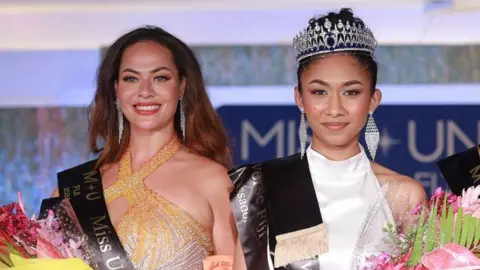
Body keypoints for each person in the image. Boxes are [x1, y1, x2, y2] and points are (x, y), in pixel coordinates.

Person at [229, 8, 427, 270]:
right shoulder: (264, 187)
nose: (335, 109)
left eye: (351, 92)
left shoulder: (403, 194)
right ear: (299, 98)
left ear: (373, 100)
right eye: (319, 91)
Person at [43, 26, 236, 270]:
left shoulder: (214, 181)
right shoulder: (70, 189)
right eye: (131, 78)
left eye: (160, 78)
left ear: (182, 86)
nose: (145, 91)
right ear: (116, 88)